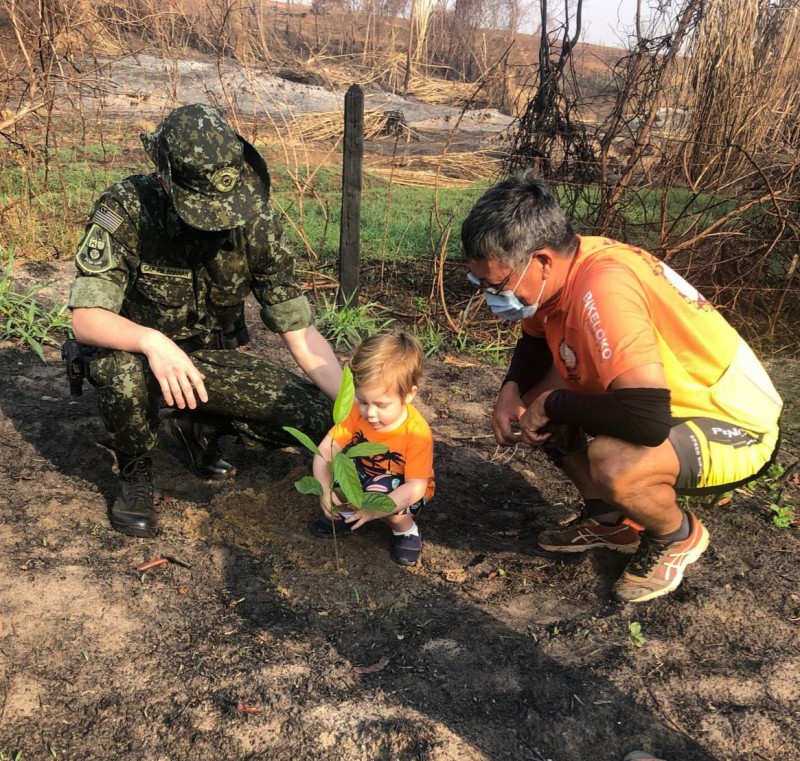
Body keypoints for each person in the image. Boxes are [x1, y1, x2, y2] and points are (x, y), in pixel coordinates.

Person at [461, 171, 782, 603]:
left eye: (496, 285)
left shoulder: (605, 287)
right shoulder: (559, 273)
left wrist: (551, 400)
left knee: (613, 461)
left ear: (540, 261)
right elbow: (535, 340)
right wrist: (513, 391)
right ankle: (609, 522)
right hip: (663, 402)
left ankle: (676, 535)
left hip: (732, 421)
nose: (490, 296)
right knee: (540, 412)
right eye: (479, 284)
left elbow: (646, 420)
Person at [68, 103, 342, 539]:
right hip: (136, 357)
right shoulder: (125, 209)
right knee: (121, 372)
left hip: (208, 361)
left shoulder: (256, 219)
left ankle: (195, 426)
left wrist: (355, 406)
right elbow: (86, 317)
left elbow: (298, 328)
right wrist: (153, 342)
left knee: (320, 417)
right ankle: (135, 471)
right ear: (166, 179)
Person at [309, 332, 435, 566]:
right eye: (364, 401)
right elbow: (326, 450)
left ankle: (406, 530)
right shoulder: (356, 412)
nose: (370, 413)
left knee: (387, 503)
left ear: (409, 395)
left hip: (402, 485)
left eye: (381, 404)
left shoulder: (416, 432)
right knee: (338, 486)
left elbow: (415, 486)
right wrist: (324, 489)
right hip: (364, 472)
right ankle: (347, 516)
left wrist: (373, 511)